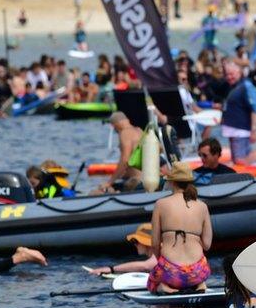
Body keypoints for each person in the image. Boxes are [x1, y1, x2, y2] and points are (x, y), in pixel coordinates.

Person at [147, 162, 212, 293]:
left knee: (152, 284)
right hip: (197, 271)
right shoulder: (202, 206)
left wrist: (162, 262)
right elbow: (207, 245)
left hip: (170, 271)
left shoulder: (160, 204)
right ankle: (199, 284)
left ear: (172, 182)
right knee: (200, 264)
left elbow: (154, 243)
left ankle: (165, 287)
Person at [220, 61, 256, 165]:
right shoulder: (233, 86)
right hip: (232, 130)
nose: (229, 77)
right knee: (237, 159)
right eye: (227, 74)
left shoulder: (246, 86)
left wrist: (254, 130)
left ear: (239, 72)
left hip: (240, 131)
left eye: (231, 74)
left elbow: (255, 108)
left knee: (240, 161)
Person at [95, 112, 143, 194]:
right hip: (146, 178)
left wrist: (109, 182)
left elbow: (125, 160)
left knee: (97, 192)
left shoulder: (124, 133)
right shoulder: (139, 131)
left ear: (115, 124)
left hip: (136, 181)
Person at [87, 223, 158, 275]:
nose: (134, 244)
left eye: (135, 241)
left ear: (146, 243)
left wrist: (111, 269)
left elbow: (145, 266)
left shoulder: (161, 252)